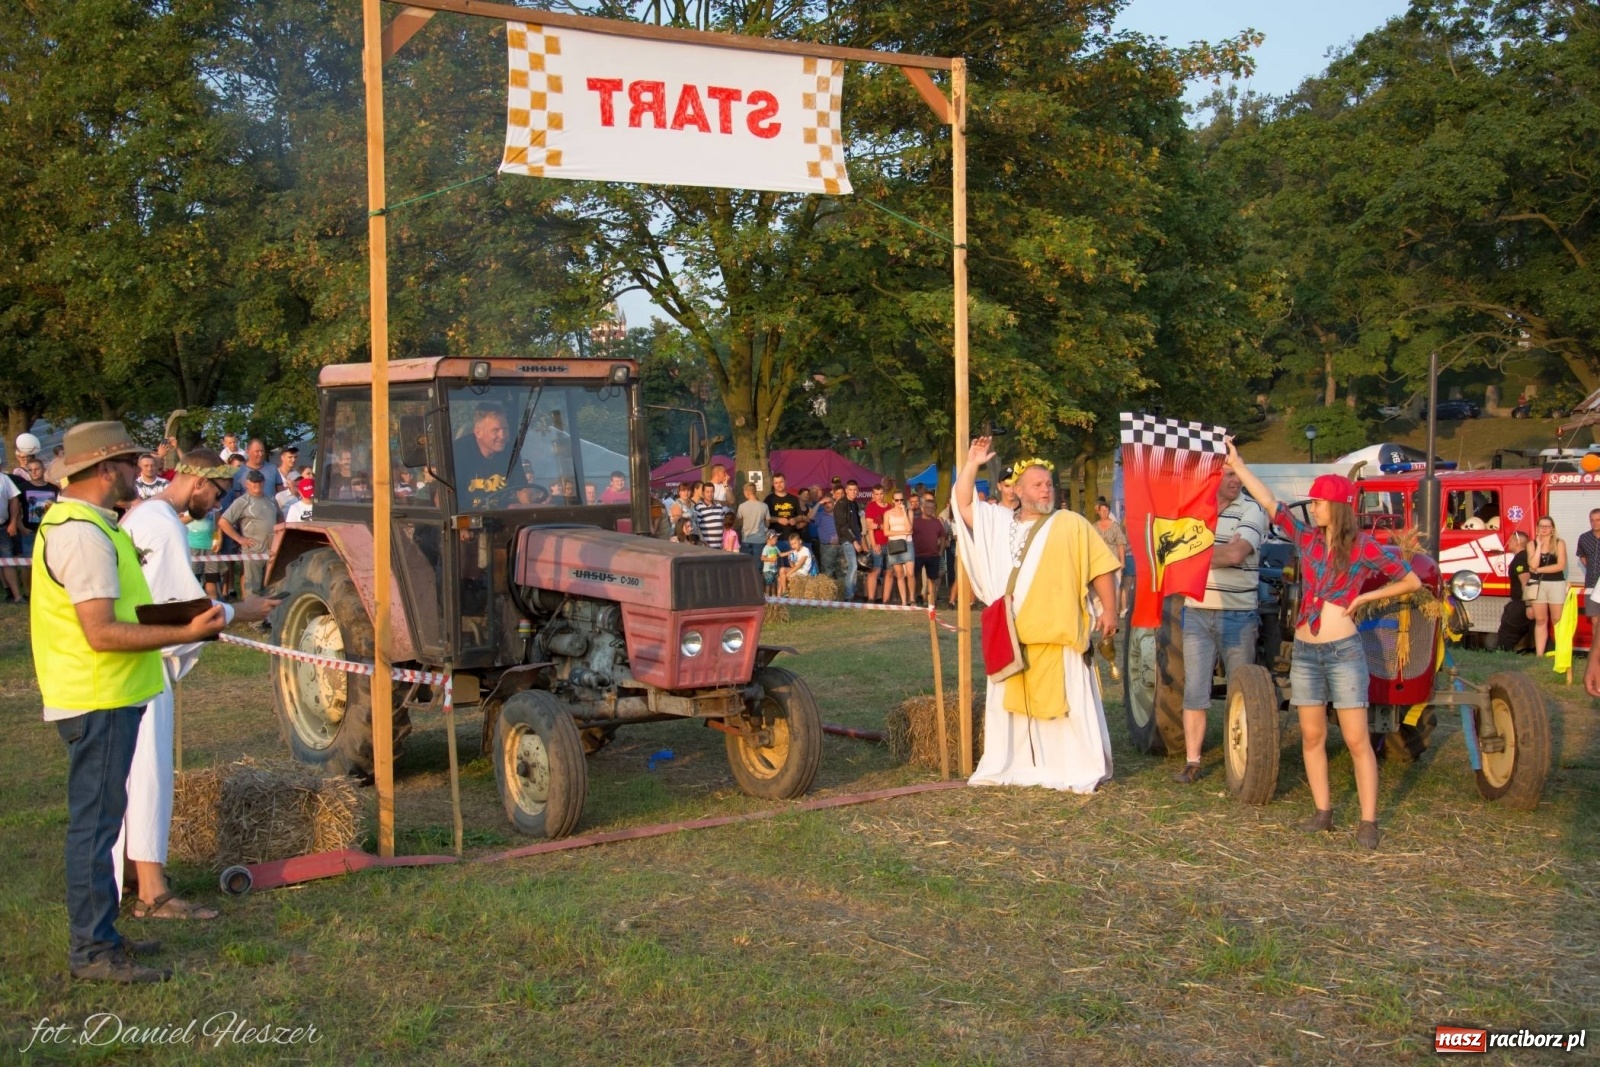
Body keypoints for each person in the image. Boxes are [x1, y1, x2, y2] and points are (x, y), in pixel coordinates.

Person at [31, 422, 227, 983]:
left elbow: (127, 612)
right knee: (94, 828)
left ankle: (103, 938)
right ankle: (93, 951)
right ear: (104, 469)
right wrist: (180, 632)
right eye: (127, 462)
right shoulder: (82, 532)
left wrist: (191, 622)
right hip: (98, 693)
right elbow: (101, 632)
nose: (137, 471)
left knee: (102, 821)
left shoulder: (90, 524)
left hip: (106, 691)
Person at [1226, 445, 1420, 850]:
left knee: (1355, 739)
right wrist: (1238, 465)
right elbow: (1269, 503)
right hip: (1307, 652)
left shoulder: (1363, 546)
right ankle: (1323, 812)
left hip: (1343, 651)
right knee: (1311, 736)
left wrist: (1366, 599)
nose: (1312, 508)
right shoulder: (1307, 539)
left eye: (1318, 502)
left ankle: (1368, 821)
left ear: (1338, 506)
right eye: (1312, 502)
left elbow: (1409, 580)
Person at [118, 452, 279, 921]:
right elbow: (182, 610)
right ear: (196, 483)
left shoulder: (145, 515)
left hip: (134, 659)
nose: (218, 499)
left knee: (135, 773)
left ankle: (133, 873)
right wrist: (241, 611)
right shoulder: (163, 524)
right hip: (144, 663)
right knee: (149, 772)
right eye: (216, 489)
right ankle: (152, 890)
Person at [952, 439, 1118, 793]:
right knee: (1013, 712)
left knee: (1065, 709)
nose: (1047, 490)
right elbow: (963, 502)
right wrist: (972, 464)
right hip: (1013, 639)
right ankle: (1017, 764)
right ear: (1019, 490)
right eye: (1038, 484)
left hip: (1059, 638)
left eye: (1049, 484)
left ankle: (1073, 766)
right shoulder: (997, 521)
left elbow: (1101, 567)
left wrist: (1111, 610)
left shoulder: (1070, 523)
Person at [1173, 468, 1269, 784]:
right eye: (1227, 474)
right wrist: (1208, 553)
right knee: (1195, 690)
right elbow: (1173, 547)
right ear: (1211, 476)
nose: (1235, 480)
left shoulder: (1253, 510)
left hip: (1237, 615)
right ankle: (1192, 762)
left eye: (1238, 475)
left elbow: (1236, 553)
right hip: (1196, 612)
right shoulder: (1195, 509)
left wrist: (1192, 552)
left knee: (1242, 691)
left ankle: (1240, 760)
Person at [454, 404, 533, 508]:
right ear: (478, 432)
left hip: (504, 518)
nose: (503, 436)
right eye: (496, 430)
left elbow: (521, 488)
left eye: (505, 429)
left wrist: (530, 504)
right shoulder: (458, 452)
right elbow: (444, 498)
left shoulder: (511, 452)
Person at [217, 470, 279, 597]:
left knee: (271, 588)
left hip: (272, 550)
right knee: (253, 589)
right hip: (253, 550)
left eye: (260, 481)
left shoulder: (271, 499)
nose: (257, 484)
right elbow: (223, 522)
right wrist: (239, 539)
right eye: (254, 481)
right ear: (247, 483)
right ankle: (252, 614)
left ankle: (266, 615)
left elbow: (280, 518)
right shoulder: (242, 501)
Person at [1527, 515, 1568, 659]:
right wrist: (1539, 546)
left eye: (1547, 526)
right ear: (1537, 528)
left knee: (1557, 619)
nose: (1544, 529)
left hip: (1556, 583)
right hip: (1536, 585)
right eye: (1541, 526)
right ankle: (1539, 654)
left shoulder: (1559, 543)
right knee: (1540, 620)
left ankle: (1560, 652)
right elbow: (1532, 565)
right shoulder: (1531, 544)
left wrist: (1539, 570)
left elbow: (1560, 566)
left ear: (1552, 529)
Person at [1494, 530, 1533, 652]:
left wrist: (1528, 605)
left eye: (1510, 541)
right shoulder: (1525, 557)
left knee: (1507, 635)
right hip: (1524, 602)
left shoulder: (1520, 559)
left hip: (1521, 603)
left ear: (1518, 542)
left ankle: (1503, 655)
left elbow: (1525, 582)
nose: (1508, 543)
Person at [880, 489, 915, 606]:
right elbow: (886, 532)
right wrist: (903, 531)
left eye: (901, 500)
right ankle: (904, 601)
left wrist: (904, 512)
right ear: (892, 500)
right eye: (897, 500)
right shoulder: (888, 514)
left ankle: (912, 598)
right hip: (894, 545)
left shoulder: (909, 511)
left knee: (910, 573)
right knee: (899, 574)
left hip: (907, 543)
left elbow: (910, 529)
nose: (899, 502)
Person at [911, 492, 946, 607]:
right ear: (922, 508)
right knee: (916, 578)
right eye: (928, 507)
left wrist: (940, 551)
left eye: (932, 508)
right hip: (918, 555)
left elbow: (943, 536)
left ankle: (931, 602)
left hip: (933, 555)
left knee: (932, 579)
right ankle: (917, 597)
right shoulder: (915, 522)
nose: (930, 510)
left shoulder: (937, 522)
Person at [835, 481, 865, 600]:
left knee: (856, 566)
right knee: (852, 565)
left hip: (856, 536)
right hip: (847, 538)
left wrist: (860, 537)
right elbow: (843, 526)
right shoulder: (841, 504)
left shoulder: (854, 504)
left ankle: (852, 591)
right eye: (850, 489)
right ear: (846, 490)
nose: (853, 492)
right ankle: (848, 595)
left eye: (855, 490)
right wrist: (854, 541)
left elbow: (857, 522)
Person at [863, 484, 891, 602]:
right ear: (873, 495)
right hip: (877, 543)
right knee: (875, 571)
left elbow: (891, 526)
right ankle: (871, 598)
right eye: (876, 494)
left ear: (884, 493)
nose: (879, 497)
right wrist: (874, 544)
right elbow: (870, 528)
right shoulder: (871, 506)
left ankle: (885, 600)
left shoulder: (890, 507)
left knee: (889, 572)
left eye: (881, 494)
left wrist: (879, 526)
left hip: (890, 543)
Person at [0, 464, 23, 604]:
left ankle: (17, 596)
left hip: (2, 526)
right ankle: (7, 591)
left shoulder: (4, 479)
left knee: (8, 561)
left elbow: (14, 499)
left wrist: (13, 522)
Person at [1575, 510, 1600, 623]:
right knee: (1595, 620)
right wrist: (1591, 568)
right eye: (1592, 520)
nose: (1595, 523)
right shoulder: (1584, 538)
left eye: (1598, 520)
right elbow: (1582, 555)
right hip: (1591, 583)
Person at [735, 481, 770, 562]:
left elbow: (738, 521)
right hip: (760, 539)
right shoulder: (764, 506)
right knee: (758, 564)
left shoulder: (742, 506)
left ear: (747, 493)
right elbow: (767, 523)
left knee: (746, 563)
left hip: (746, 539)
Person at [765, 474, 804, 544]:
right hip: (774, 540)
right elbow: (764, 517)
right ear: (773, 484)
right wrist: (778, 519)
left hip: (792, 540)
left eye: (781, 482)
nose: (779, 485)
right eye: (776, 483)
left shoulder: (794, 499)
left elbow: (800, 516)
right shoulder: (769, 499)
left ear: (785, 482)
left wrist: (795, 519)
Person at [811, 493, 842, 580]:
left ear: (833, 503)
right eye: (825, 503)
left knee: (842, 572)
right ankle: (829, 593)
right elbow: (810, 516)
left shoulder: (839, 515)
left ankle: (843, 593)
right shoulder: (820, 515)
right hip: (827, 548)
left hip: (841, 546)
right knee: (827, 573)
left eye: (829, 502)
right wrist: (819, 503)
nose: (827, 505)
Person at [777, 532, 813, 596]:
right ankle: (784, 592)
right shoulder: (794, 552)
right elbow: (793, 566)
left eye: (795, 543)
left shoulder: (805, 550)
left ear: (800, 541)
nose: (793, 546)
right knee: (781, 569)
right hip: (796, 571)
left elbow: (799, 566)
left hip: (802, 573)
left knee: (780, 578)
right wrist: (790, 560)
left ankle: (781, 595)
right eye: (792, 544)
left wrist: (788, 574)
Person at [693, 481, 727, 547]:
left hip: (721, 546)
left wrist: (724, 540)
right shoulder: (698, 507)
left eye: (712, 491)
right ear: (703, 493)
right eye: (707, 492)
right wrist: (703, 542)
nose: (710, 494)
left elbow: (724, 524)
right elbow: (697, 527)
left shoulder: (719, 506)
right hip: (707, 546)